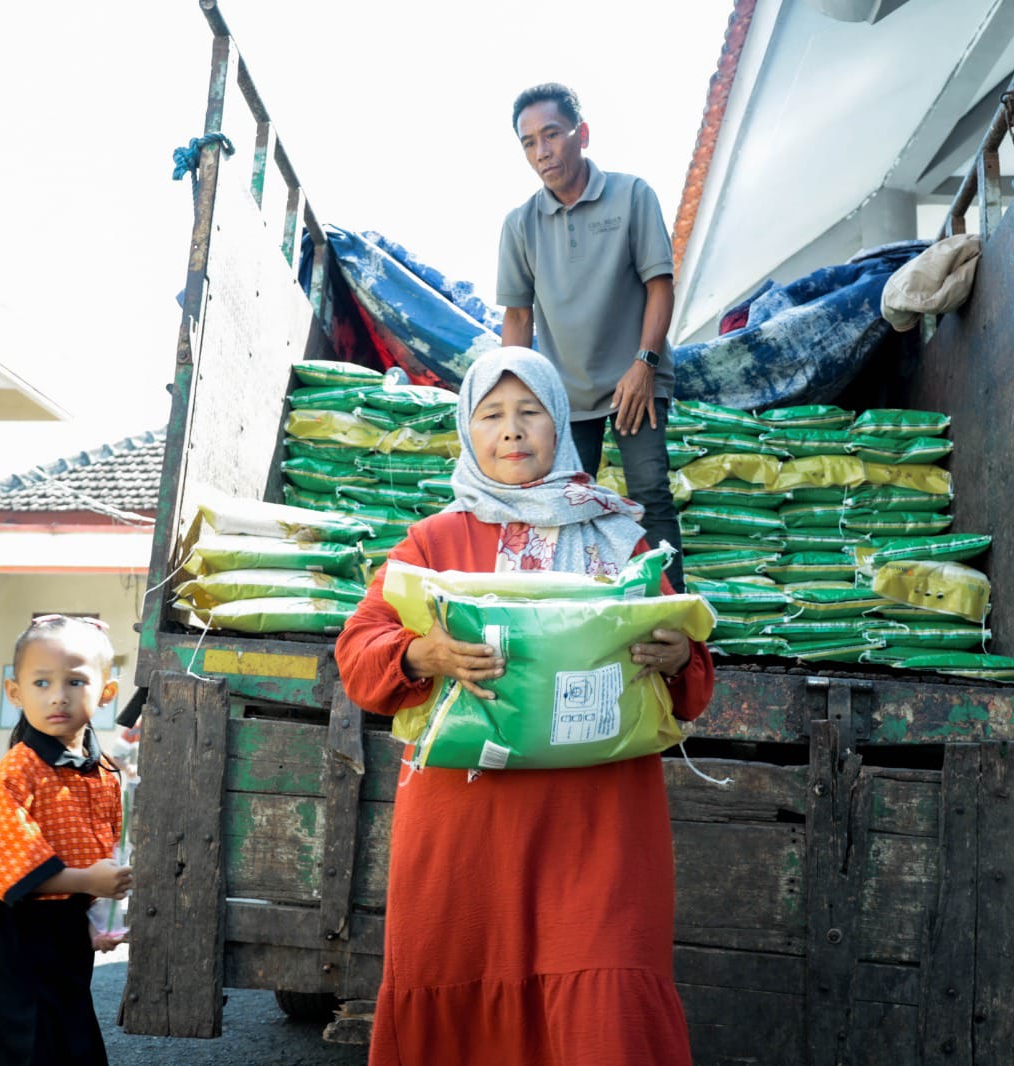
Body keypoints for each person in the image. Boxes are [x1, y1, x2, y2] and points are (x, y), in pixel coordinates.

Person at [336, 347, 715, 1065]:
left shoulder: (623, 540)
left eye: (530, 412)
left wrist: (673, 655)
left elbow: (694, 678)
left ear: (561, 425)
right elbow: (359, 655)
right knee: (462, 985)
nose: (512, 431)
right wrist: (426, 654)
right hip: (468, 836)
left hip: (599, 831)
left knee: (602, 1007)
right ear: (467, 432)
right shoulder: (432, 542)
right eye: (492, 415)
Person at [497, 82, 686, 590]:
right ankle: (581, 612)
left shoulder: (632, 195)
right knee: (564, 505)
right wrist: (513, 398)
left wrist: (644, 363)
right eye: (529, 141)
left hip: (635, 381)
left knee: (650, 493)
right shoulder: (520, 225)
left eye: (551, 134)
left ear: (581, 134)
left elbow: (660, 285)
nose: (542, 151)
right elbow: (517, 318)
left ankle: (672, 619)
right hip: (564, 395)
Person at [0, 614, 132, 1066]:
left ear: (106, 692)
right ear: (15, 692)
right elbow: (7, 864)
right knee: (11, 1048)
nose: (58, 697)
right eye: (42, 683)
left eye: (75, 681)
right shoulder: (19, 770)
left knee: (67, 1040)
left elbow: (100, 851)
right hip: (8, 935)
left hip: (62, 932)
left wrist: (95, 917)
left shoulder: (103, 771)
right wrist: (89, 882)